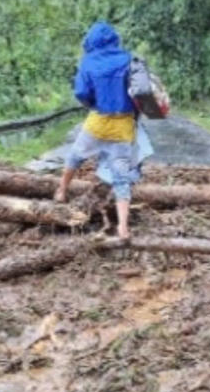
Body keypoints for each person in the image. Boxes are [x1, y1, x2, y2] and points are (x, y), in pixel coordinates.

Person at [54, 21, 149, 239]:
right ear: (115, 39)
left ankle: (61, 191)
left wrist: (94, 103)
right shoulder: (128, 60)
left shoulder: (87, 62)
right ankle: (123, 227)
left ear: (91, 41)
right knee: (121, 175)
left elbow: (81, 92)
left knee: (75, 155)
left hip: (97, 121)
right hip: (123, 124)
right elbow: (141, 92)